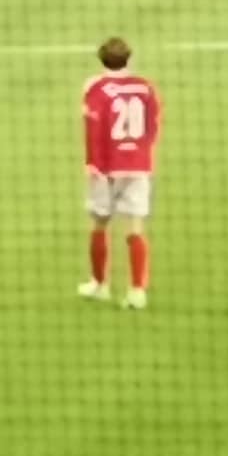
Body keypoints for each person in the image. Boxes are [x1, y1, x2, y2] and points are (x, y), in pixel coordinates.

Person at [78, 37, 160, 308]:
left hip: (107, 166)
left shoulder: (95, 87)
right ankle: (137, 291)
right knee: (135, 225)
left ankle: (99, 284)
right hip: (138, 164)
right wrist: (141, 152)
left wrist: (95, 165)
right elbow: (153, 124)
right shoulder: (145, 87)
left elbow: (94, 128)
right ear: (129, 58)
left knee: (100, 222)